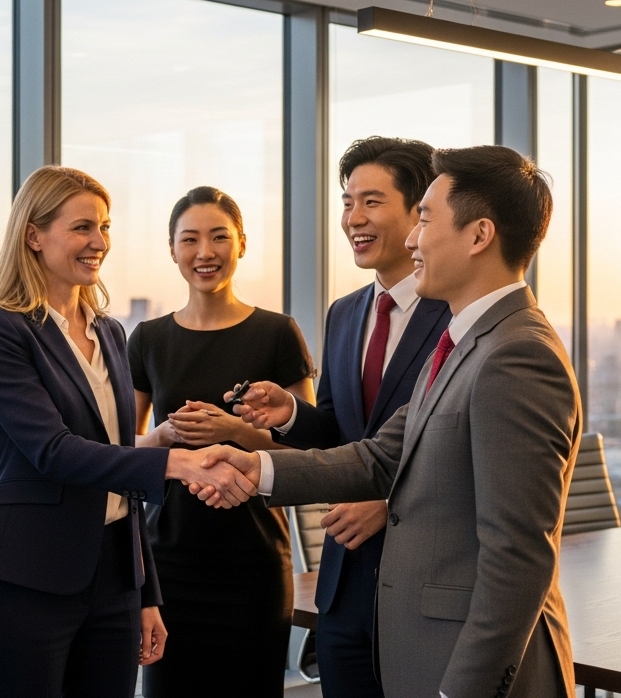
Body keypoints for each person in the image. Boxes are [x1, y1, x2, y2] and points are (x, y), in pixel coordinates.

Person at [199, 145, 580, 698]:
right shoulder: (465, 341)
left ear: (478, 235)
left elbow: (519, 557)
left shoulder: (517, 356)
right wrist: (254, 467)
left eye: (424, 218)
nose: (411, 239)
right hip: (415, 647)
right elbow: (379, 455)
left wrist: (463, 692)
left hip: (462, 670)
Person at [0, 165, 259, 698]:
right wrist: (176, 462)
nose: (99, 242)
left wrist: (144, 591)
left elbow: (117, 461)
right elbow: (53, 452)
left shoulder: (110, 331)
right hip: (33, 577)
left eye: (104, 227)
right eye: (82, 227)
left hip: (114, 580)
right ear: (34, 235)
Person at [128, 186, 315, 697]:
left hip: (253, 561)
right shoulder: (147, 339)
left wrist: (235, 432)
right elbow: (120, 450)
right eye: (190, 239)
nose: (205, 253)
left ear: (242, 244)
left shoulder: (278, 333)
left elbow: (309, 456)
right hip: (168, 562)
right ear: (172, 249)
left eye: (219, 238)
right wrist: (165, 437)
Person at [291, 137, 451, 698]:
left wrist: (391, 504)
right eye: (346, 201)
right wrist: (290, 413)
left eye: (372, 202)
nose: (353, 218)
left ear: (418, 213)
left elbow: (464, 450)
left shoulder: (459, 315)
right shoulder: (344, 313)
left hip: (422, 588)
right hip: (344, 587)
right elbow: (341, 431)